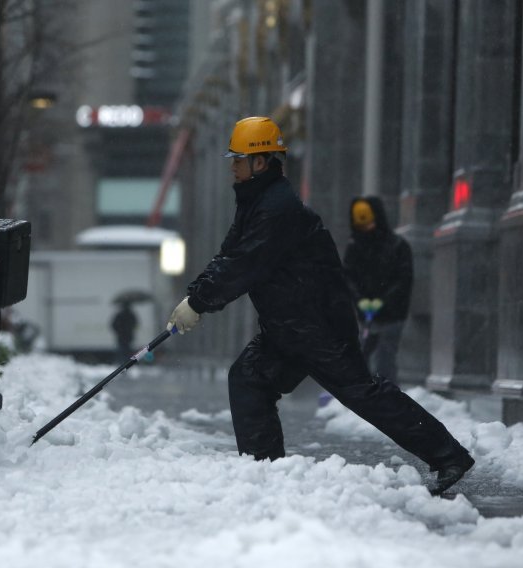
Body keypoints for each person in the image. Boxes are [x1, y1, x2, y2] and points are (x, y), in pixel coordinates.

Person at [166, 116, 474, 495]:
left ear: (260, 162)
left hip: (317, 327)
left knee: (363, 393)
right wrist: (194, 296)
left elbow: (246, 263)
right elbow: (229, 255)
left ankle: (449, 455)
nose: (232, 165)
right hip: (289, 326)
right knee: (248, 378)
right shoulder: (256, 201)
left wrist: (199, 302)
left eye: (238, 158)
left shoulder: (277, 209)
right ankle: (265, 473)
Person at [343, 197, 413, 383]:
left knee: (385, 360)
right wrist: (360, 300)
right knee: (362, 356)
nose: (366, 230)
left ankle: (386, 397)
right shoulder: (355, 248)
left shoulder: (398, 247)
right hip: (366, 315)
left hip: (392, 316)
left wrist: (384, 300)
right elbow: (348, 277)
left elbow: (403, 280)